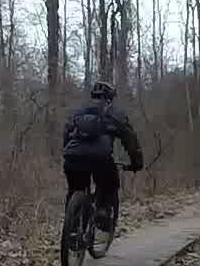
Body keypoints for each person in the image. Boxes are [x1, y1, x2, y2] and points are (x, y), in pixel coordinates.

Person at [61, 80, 144, 231]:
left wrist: (67, 153)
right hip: (101, 159)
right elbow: (130, 139)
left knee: (75, 189)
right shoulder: (115, 113)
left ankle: (72, 230)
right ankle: (103, 211)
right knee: (110, 183)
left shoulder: (78, 111)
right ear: (110, 97)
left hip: (72, 157)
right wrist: (136, 162)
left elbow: (66, 134)